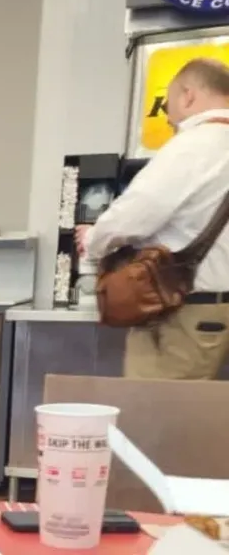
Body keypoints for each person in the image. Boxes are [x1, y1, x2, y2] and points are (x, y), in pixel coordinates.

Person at [78, 57, 229, 380]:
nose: (171, 120)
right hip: (214, 309)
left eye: (169, 107)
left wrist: (92, 240)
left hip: (181, 309)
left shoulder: (194, 145)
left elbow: (134, 215)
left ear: (188, 95)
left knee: (157, 419)